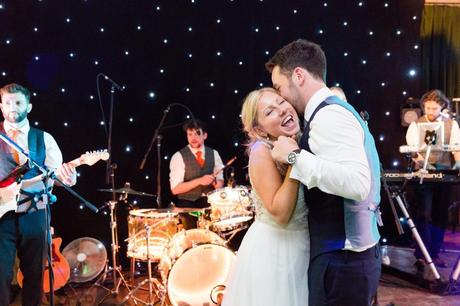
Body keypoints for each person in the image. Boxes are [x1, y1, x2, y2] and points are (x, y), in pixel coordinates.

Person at [266, 39, 381, 306]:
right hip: (345, 261)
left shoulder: (329, 116)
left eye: (279, 87)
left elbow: (357, 183)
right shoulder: (326, 112)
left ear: (298, 75)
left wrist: (294, 157)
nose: (281, 95)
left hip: (343, 263)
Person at [222, 87, 309, 306]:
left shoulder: (302, 139)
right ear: (259, 130)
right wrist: (294, 161)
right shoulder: (261, 151)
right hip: (276, 254)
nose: (281, 110)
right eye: (270, 111)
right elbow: (280, 212)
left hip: (305, 246)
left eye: (281, 102)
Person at [0, 83, 76, 306]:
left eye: (18, 102)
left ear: (29, 107)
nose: (12, 107)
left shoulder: (43, 139)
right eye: (7, 102)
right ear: (1, 107)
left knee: (35, 277)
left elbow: (59, 178)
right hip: (1, 217)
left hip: (34, 213)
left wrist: (68, 175)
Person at [405, 89, 460, 270]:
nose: (430, 111)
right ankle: (422, 254)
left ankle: (434, 254)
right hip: (423, 174)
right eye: (427, 108)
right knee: (423, 213)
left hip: (443, 175)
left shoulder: (451, 124)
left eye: (434, 108)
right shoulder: (416, 124)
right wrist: (424, 163)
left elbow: (456, 148)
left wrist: (458, 163)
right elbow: (413, 151)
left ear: (442, 106)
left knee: (440, 215)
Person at [169, 119, 224, 228]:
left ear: (205, 135)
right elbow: (175, 189)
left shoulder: (214, 153)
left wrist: (216, 182)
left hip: (208, 203)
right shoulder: (178, 156)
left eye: (197, 133)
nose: (193, 138)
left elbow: (220, 183)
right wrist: (199, 181)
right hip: (187, 204)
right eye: (190, 134)